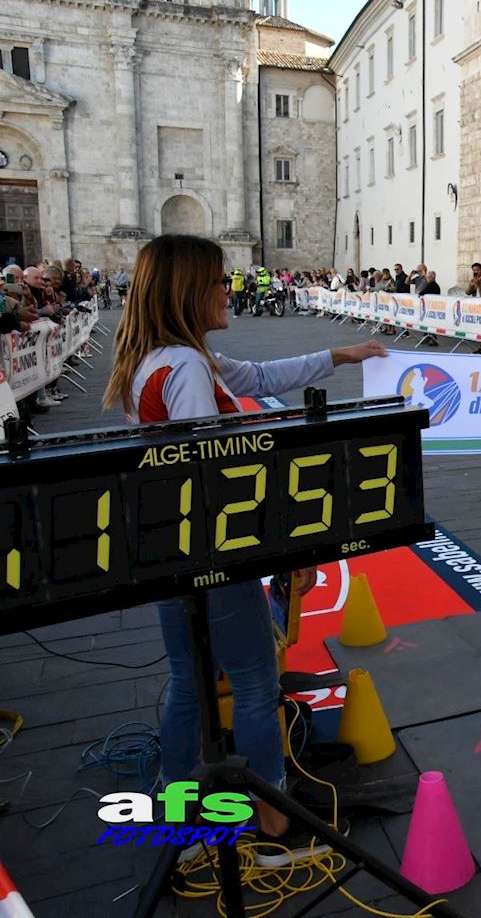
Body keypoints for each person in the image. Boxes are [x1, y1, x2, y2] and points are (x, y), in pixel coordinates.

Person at [100, 234, 384, 867]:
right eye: (219, 281)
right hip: (214, 556)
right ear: (188, 290)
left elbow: (257, 377)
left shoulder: (163, 359)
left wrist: (338, 353)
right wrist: (284, 549)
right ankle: (273, 812)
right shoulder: (188, 369)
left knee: (188, 681)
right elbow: (217, 475)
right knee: (255, 682)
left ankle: (180, 811)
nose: (229, 290)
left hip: (168, 550)